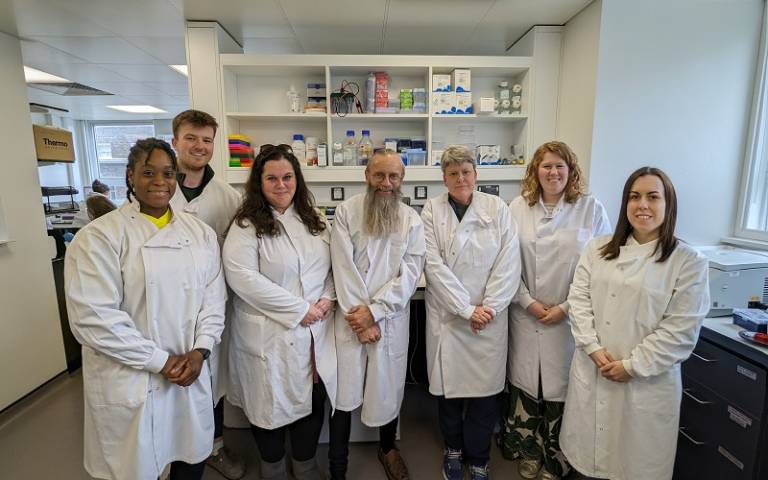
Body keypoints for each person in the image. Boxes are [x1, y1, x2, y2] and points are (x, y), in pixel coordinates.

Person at [65, 138, 227, 480]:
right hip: (132, 377)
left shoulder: (199, 234)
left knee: (191, 457)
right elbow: (93, 320)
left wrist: (201, 350)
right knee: (134, 467)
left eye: (168, 173)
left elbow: (214, 300)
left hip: (190, 371)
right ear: (130, 176)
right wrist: (161, 361)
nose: (159, 181)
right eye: (148, 172)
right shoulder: (99, 237)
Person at [560, 167, 710, 480]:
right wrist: (590, 346)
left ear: (668, 205)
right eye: (634, 197)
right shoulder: (597, 249)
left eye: (653, 197)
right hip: (594, 367)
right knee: (589, 462)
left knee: (636, 465)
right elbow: (578, 300)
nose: (642, 205)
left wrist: (633, 365)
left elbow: (680, 329)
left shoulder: (687, 261)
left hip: (646, 382)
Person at [222, 145, 337, 480]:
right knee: (267, 405)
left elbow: (333, 267)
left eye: (287, 177)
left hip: (313, 331)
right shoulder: (246, 225)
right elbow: (242, 278)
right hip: (269, 336)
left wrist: (328, 298)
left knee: (313, 401)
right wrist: (301, 309)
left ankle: (305, 463)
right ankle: (272, 467)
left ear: (297, 180)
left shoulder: (314, 220)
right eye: (271, 178)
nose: (281, 184)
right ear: (259, 182)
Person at [502, 141, 611, 480]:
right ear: (535, 170)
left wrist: (565, 307)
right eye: (546, 166)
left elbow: (602, 266)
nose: (553, 172)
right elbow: (504, 264)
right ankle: (529, 451)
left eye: (559, 166)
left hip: (570, 317)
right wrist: (527, 301)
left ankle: (557, 458)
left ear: (571, 170)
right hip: (525, 312)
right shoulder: (517, 207)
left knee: (563, 387)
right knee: (527, 383)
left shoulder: (590, 209)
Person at [421, 145, 521, 480]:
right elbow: (432, 265)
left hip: (489, 318)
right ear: (444, 178)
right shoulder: (431, 210)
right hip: (451, 316)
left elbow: (509, 262)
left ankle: (478, 457)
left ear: (476, 174)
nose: (460, 178)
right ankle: (453, 449)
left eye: (466, 172)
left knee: (484, 397)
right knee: (449, 395)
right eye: (453, 173)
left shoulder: (497, 208)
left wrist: (489, 308)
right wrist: (466, 309)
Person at [329, 149, 426, 480]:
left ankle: (387, 449)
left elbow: (410, 274)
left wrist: (376, 312)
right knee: (343, 394)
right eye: (379, 175)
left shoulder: (411, 220)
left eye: (393, 176)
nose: (386, 183)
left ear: (402, 180)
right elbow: (342, 267)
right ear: (366, 176)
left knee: (387, 388)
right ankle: (337, 466)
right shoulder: (346, 212)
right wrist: (361, 319)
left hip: (388, 321)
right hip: (350, 320)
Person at [169, 109, 245, 480]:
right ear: (175, 141)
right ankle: (169, 451)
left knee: (212, 380)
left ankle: (214, 446)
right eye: (191, 138)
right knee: (167, 376)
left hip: (212, 305)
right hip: (166, 306)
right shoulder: (158, 190)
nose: (199, 146)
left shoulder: (227, 197)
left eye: (206, 139)